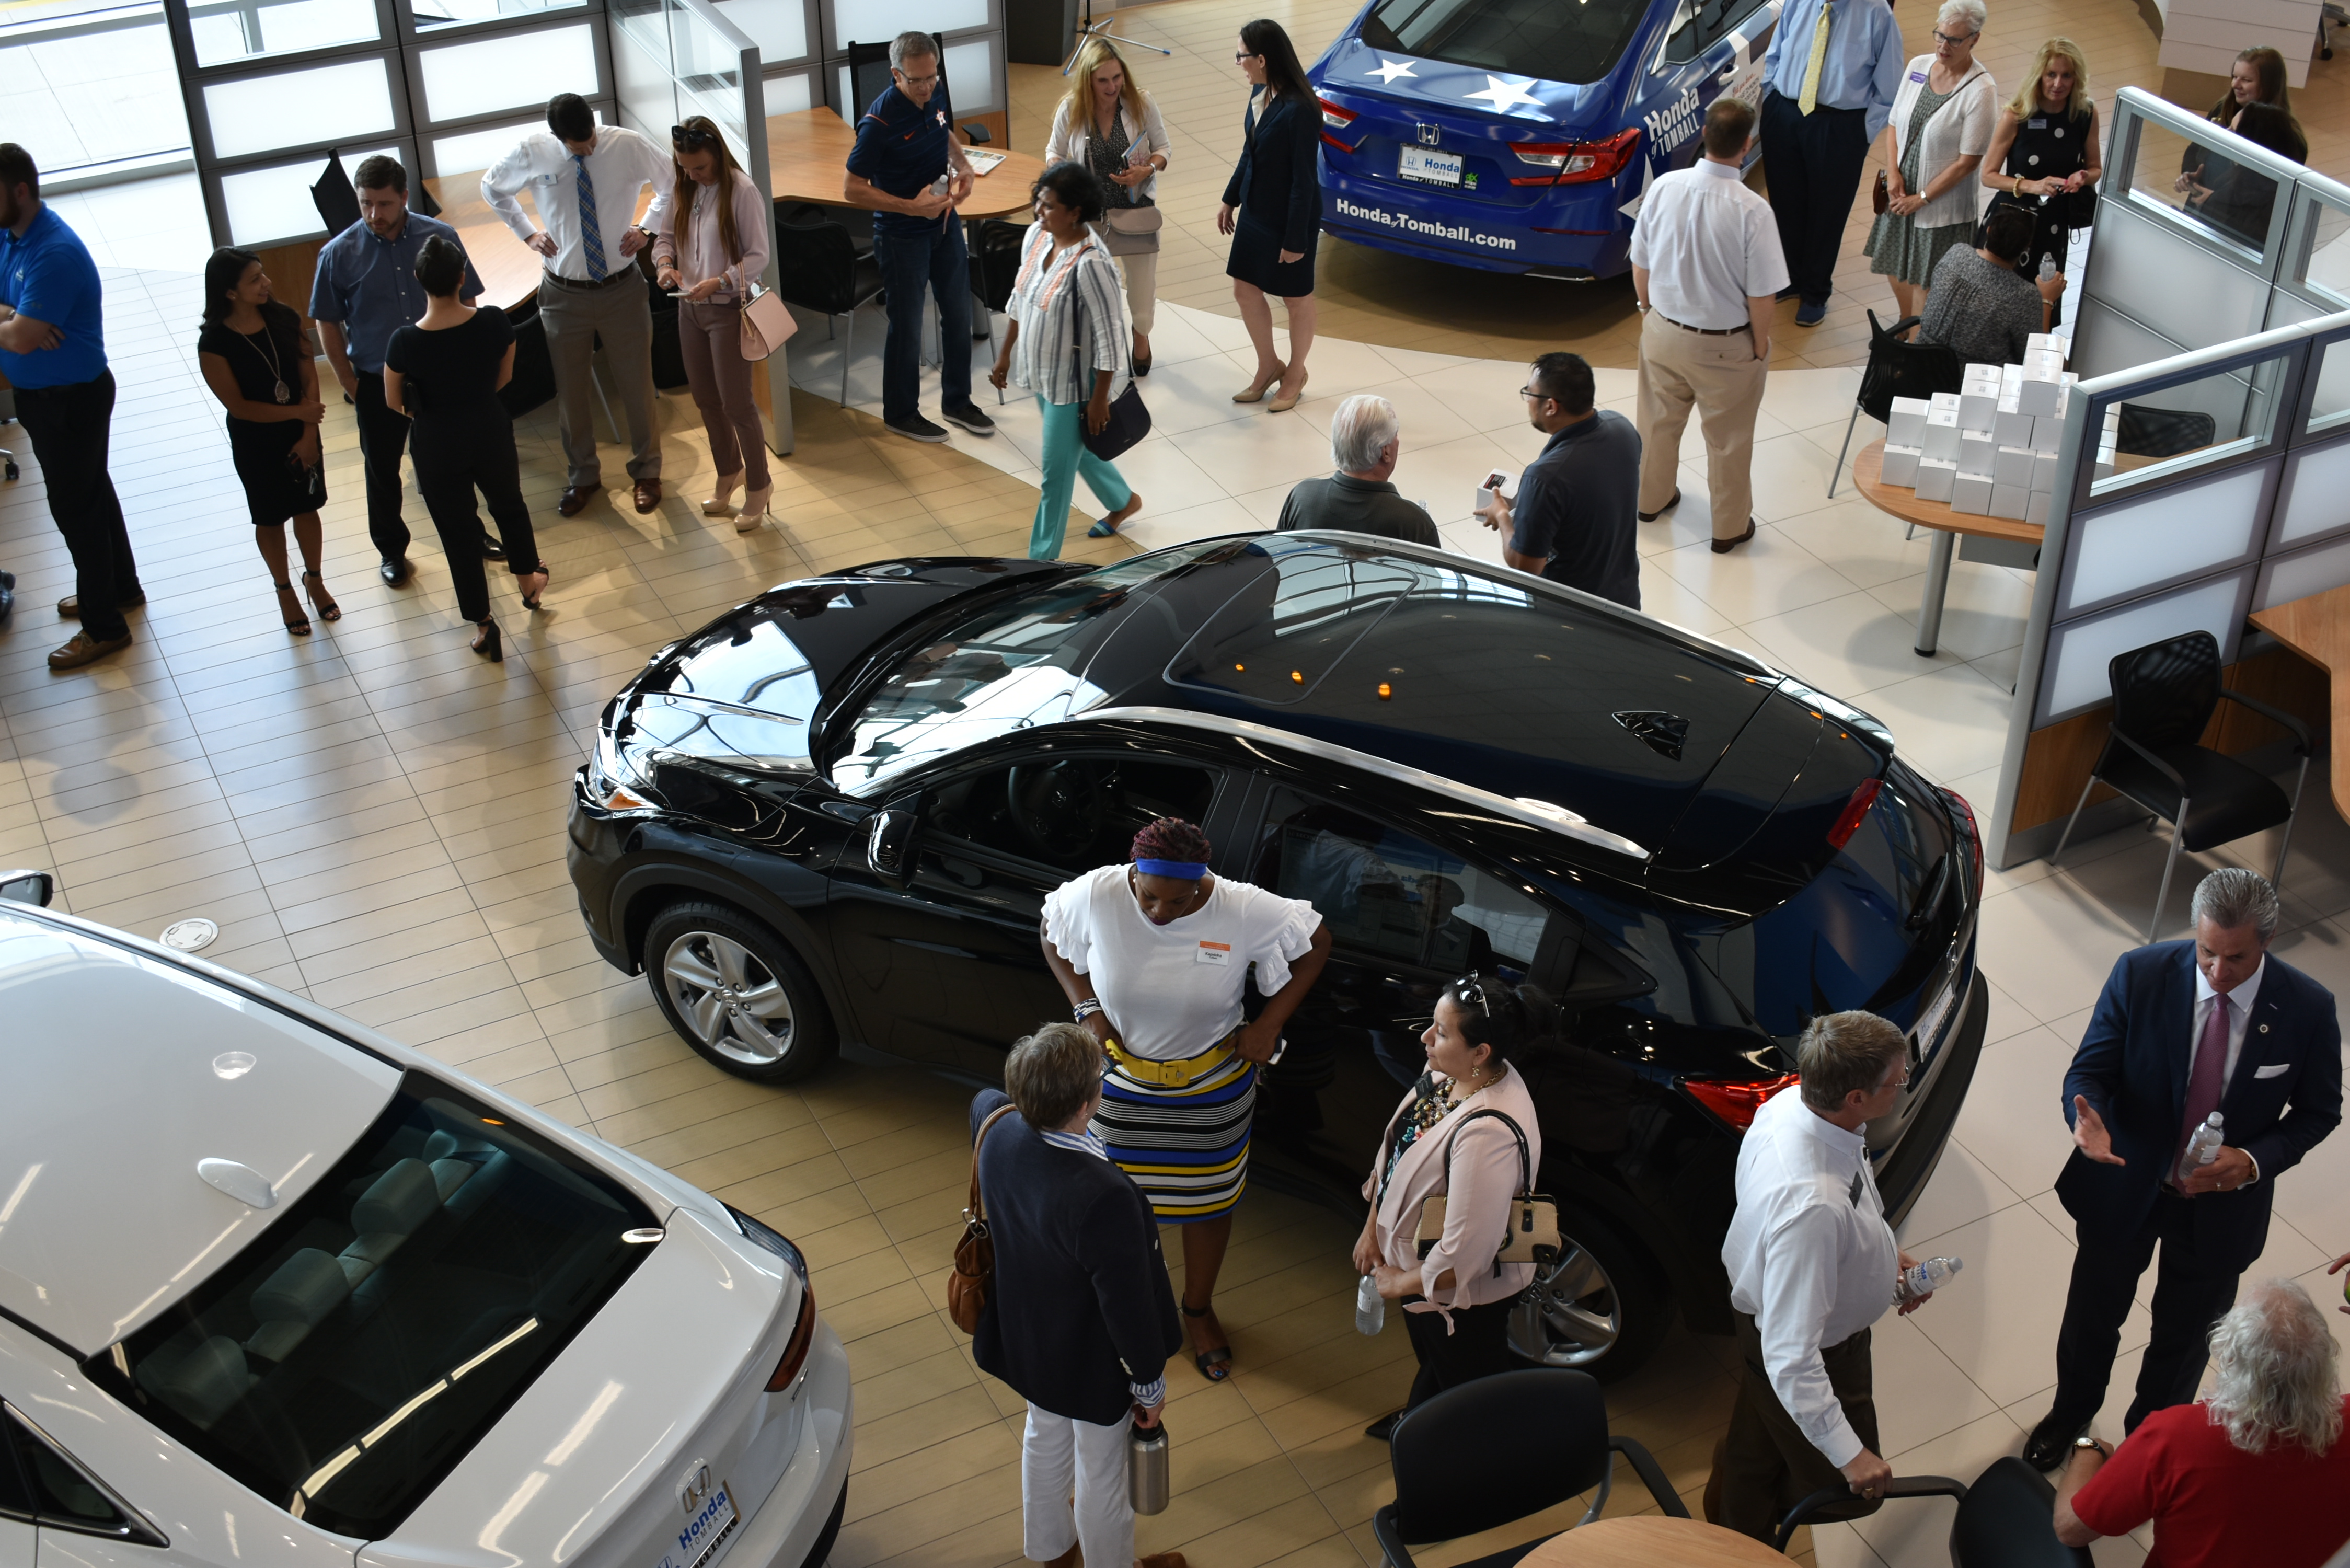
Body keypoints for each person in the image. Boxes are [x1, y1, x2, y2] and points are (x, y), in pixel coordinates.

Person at [2023, 868, 2343, 1471]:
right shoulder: (2140, 973)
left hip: (2221, 1206)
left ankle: (2147, 1445)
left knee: (2183, 1340)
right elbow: (2089, 1071)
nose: (2216, 973)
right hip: (2125, 1181)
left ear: (2266, 942)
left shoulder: (2306, 1008)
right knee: (2092, 1314)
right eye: (2205, 952)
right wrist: (2082, 1117)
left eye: (2235, 958)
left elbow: (2319, 1112)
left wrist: (2250, 1161)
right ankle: (2069, 1413)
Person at [1040, 817, 1332, 1384]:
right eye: (1148, 897)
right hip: (1121, 1088)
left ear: (1201, 883)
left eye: (1177, 902)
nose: (1158, 913)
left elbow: (1316, 941)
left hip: (1212, 1089)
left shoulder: (1240, 907)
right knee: (1115, 1207)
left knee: (1208, 1205)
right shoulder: (1097, 893)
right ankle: (1122, 1307)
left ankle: (1196, 1311)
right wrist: (1085, 1007)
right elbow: (1051, 931)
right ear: (1133, 875)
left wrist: (1269, 1023)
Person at [1704, 1011, 1939, 1542]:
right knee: (1835, 1490)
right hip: (1820, 1350)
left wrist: (1878, 1255)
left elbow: (1848, 1200)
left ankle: (1729, 1536)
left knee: (1756, 1442)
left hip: (1768, 1306)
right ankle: (1747, 1541)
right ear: (1854, 1095)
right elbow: (1789, 1356)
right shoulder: (1810, 1210)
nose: (1902, 1087)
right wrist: (1849, 1455)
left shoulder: (1795, 1105)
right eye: (1895, 1081)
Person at [969, 1023, 1188, 1568]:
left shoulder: (995, 1126)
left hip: (1026, 1334)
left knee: (1043, 1434)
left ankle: (1050, 1550)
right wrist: (1148, 1380)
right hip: (1087, 1361)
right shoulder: (1101, 1197)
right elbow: (1127, 1304)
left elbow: (982, 1100)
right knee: (1102, 1476)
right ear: (1088, 1103)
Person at [1356, 974, 1550, 1442]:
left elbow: (1466, 1255)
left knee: (1469, 1394)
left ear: (1481, 1051)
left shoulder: (1488, 1134)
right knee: (1439, 1364)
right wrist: (1371, 1229)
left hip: (1458, 1292)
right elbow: (1398, 1152)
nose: (1425, 1037)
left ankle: (1461, 1475)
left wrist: (1398, 1284)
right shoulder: (1451, 1074)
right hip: (1422, 1274)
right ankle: (1418, 1421)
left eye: (1441, 1033)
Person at [2054, 1279, 2350, 1566]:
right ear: (2327, 1357)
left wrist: (2089, 1449)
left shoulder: (2174, 1438)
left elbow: (2071, 1529)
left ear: (2230, 1357)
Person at [482, 93, 673, 518]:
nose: (589, 149)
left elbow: (672, 181)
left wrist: (648, 228)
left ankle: (647, 473)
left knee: (638, 385)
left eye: (590, 140)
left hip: (622, 288)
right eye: (578, 146)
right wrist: (527, 232)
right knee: (571, 392)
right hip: (563, 293)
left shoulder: (625, 144)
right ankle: (583, 476)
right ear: (557, 137)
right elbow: (492, 187)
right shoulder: (534, 152)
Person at [310, 154, 491, 587]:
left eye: (384, 204)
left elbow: (467, 300)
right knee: (382, 469)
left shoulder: (440, 237)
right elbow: (327, 321)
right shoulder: (337, 254)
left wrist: (466, 362)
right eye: (365, 203)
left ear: (404, 197)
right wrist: (350, 382)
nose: (374, 214)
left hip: (440, 375)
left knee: (455, 463)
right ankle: (392, 550)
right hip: (376, 380)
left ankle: (474, 535)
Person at [0, 142, 144, 671]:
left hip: (71, 401)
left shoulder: (52, 252)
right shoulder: (10, 235)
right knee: (93, 492)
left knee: (75, 509)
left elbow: (18, 340)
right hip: (44, 397)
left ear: (20, 191)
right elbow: (18, 331)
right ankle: (119, 589)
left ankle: (104, 627)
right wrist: (15, 315)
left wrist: (20, 326)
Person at [1629, 96, 1789, 555]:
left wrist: (1646, 311)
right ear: (1747, 145)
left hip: (1662, 330)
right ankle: (1728, 530)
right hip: (1725, 346)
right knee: (1728, 442)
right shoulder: (1753, 210)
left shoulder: (1664, 187)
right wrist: (1759, 347)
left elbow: (1641, 262)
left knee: (1657, 424)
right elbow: (1762, 294)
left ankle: (1649, 501)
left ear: (1704, 135)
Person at [382, 235, 550, 667]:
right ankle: (529, 580)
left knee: (458, 534)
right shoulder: (493, 322)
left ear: (419, 280)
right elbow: (505, 376)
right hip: (488, 427)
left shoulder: (403, 342)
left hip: (437, 442)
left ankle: (482, 623)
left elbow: (393, 402)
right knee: (509, 505)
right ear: (462, 277)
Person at [844, 30, 996, 445]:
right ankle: (901, 413)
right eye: (918, 80)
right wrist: (910, 206)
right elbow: (852, 188)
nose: (928, 87)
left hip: (944, 224)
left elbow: (944, 130)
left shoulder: (937, 92)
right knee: (908, 328)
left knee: (959, 315)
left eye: (933, 76)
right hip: (902, 236)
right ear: (896, 75)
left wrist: (963, 164)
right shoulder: (878, 122)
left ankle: (957, 401)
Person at [989, 163, 1144, 558]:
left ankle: (1040, 564)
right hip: (1039, 372)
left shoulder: (1093, 264)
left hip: (1074, 388)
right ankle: (1123, 500)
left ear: (1075, 212)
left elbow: (1111, 339)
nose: (1039, 213)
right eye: (1039, 203)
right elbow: (1019, 299)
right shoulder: (1037, 238)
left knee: (1054, 476)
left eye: (1048, 207)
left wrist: (1099, 400)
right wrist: (1005, 355)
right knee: (1076, 450)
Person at [196, 248, 337, 635]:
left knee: (308, 509)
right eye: (255, 279)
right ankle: (284, 589)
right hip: (255, 440)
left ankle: (314, 578)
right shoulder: (214, 343)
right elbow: (240, 407)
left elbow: (309, 376)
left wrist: (309, 435)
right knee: (270, 516)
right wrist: (299, 414)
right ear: (230, 293)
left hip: (301, 431)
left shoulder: (285, 318)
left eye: (263, 275)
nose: (267, 283)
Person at [652, 118, 774, 534]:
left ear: (718, 156)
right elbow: (664, 237)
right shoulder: (684, 186)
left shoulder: (742, 191)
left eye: (700, 168)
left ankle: (760, 485)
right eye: (686, 168)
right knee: (705, 399)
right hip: (689, 308)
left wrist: (720, 281)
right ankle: (728, 473)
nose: (692, 175)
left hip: (727, 310)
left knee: (737, 404)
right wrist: (665, 264)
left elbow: (759, 256)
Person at [1757, 0, 1904, 327]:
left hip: (1839, 124)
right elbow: (1776, 51)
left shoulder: (1877, 13)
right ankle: (1790, 279)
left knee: (1828, 211)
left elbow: (1890, 86)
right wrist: (1771, 97)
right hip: (1785, 112)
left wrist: (1861, 133)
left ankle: (1814, 292)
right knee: (1785, 202)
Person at [1864, 0, 1997, 326]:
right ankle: (1905, 328)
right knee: (1897, 268)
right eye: (1940, 35)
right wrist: (1893, 172)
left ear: (1975, 40)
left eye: (1955, 40)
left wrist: (1921, 199)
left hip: (1939, 206)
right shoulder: (1918, 66)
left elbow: (1968, 162)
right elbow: (1894, 123)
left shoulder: (1981, 90)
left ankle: (1915, 348)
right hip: (1900, 192)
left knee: (1929, 286)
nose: (1943, 46)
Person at [1477, 353, 1642, 604]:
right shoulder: (1623, 428)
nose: (1528, 400)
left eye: (1530, 393)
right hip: (1624, 598)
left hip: (1572, 611)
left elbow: (1526, 565)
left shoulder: (1545, 478)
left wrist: (1501, 514)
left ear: (1551, 406)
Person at [1047, 38, 1169, 375]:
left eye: (1117, 78)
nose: (1112, 86)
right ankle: (1095, 349)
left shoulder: (1141, 102)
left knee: (1142, 298)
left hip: (1134, 211)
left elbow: (1164, 148)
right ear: (1088, 80)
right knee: (1087, 291)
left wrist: (1148, 169)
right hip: (1088, 217)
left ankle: (1140, 334)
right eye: (1103, 80)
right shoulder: (1071, 108)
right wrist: (1065, 175)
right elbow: (1053, 152)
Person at [1219, 19, 1320, 412]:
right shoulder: (1260, 95)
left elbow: (1304, 182)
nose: (1238, 62)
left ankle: (1295, 373)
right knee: (1245, 290)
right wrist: (1230, 198)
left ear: (1261, 59)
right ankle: (1268, 366)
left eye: (1241, 56)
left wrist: (1296, 241)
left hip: (1289, 218)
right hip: (1256, 211)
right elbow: (1251, 151)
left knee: (1296, 299)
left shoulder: (1300, 110)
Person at [1978, 38, 2100, 288]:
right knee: (1996, 296)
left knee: (2041, 299)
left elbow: (2096, 168)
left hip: (2055, 224)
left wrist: (2083, 177)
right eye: (2051, 75)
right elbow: (1988, 176)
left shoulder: (2084, 114)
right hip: (2012, 222)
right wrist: (2033, 186)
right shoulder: (2018, 114)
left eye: (2066, 76)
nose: (2058, 84)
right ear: (2039, 75)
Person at [1275, 394, 1438, 544]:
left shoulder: (1302, 497)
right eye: (1396, 434)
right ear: (1386, 451)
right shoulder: (1414, 522)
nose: (1398, 440)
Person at [1917, 205, 2061, 365]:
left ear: (1989, 230)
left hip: (1920, 363)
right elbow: (2034, 358)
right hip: (1971, 381)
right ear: (2026, 249)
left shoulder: (1956, 253)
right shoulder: (2023, 295)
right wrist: (2047, 300)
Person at [2187, 102, 2307, 249]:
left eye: (2235, 131)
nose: (2227, 132)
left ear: (2254, 143)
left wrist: (2212, 203)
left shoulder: (2257, 202)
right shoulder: (2278, 186)